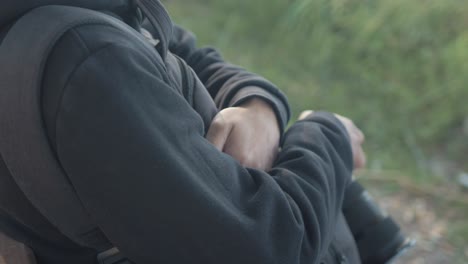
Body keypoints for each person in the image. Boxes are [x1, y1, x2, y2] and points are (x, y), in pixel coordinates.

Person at [0, 0, 366, 263]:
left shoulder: (72, 19)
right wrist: (329, 135)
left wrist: (259, 107)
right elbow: (268, 249)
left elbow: (180, 50)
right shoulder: (91, 61)